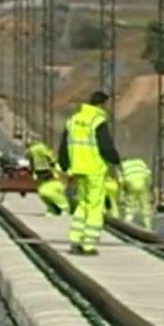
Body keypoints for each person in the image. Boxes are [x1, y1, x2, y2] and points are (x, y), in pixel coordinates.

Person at [58, 90, 121, 255]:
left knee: (82, 204)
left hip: (78, 170)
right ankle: (88, 244)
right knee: (94, 207)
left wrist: (64, 165)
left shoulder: (73, 120)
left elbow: (64, 145)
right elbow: (105, 146)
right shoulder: (97, 121)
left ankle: (75, 239)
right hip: (94, 170)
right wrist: (115, 159)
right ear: (102, 104)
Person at [25, 140, 69, 217]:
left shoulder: (34, 151)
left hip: (51, 175)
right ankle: (53, 208)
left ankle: (63, 206)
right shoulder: (40, 149)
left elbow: (31, 160)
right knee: (43, 193)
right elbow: (50, 158)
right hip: (46, 174)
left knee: (45, 192)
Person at [120, 157, 153, 229]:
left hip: (131, 183)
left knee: (130, 205)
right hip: (143, 181)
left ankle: (127, 223)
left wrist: (123, 189)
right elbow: (149, 174)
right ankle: (147, 225)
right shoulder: (140, 161)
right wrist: (148, 186)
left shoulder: (123, 165)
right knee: (145, 205)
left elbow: (121, 180)